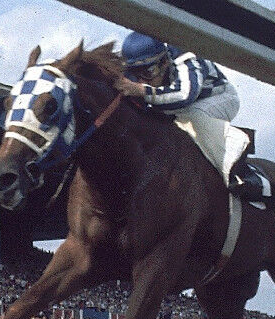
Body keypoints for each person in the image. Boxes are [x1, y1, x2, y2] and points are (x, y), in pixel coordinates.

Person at [112, 31, 266, 198]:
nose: (142, 80)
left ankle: (243, 173)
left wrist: (142, 91)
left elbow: (185, 95)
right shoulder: (136, 71)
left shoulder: (186, 57)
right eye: (135, 74)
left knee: (194, 116)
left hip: (219, 97)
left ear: (164, 62)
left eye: (149, 72)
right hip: (177, 107)